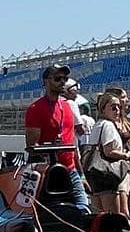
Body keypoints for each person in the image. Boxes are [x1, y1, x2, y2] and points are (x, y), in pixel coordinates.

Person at [24, 64, 89, 212]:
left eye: (65, 78)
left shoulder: (67, 106)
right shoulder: (35, 109)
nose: (62, 82)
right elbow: (32, 146)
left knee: (83, 209)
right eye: (58, 78)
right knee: (44, 213)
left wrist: (81, 174)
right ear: (46, 81)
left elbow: (73, 143)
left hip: (70, 169)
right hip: (46, 173)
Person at [85, 93, 130, 213]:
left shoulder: (98, 124)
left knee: (99, 215)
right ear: (103, 109)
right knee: (116, 215)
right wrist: (127, 155)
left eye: (119, 107)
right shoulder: (108, 125)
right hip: (107, 174)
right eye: (113, 107)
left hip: (94, 174)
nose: (117, 110)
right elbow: (109, 152)